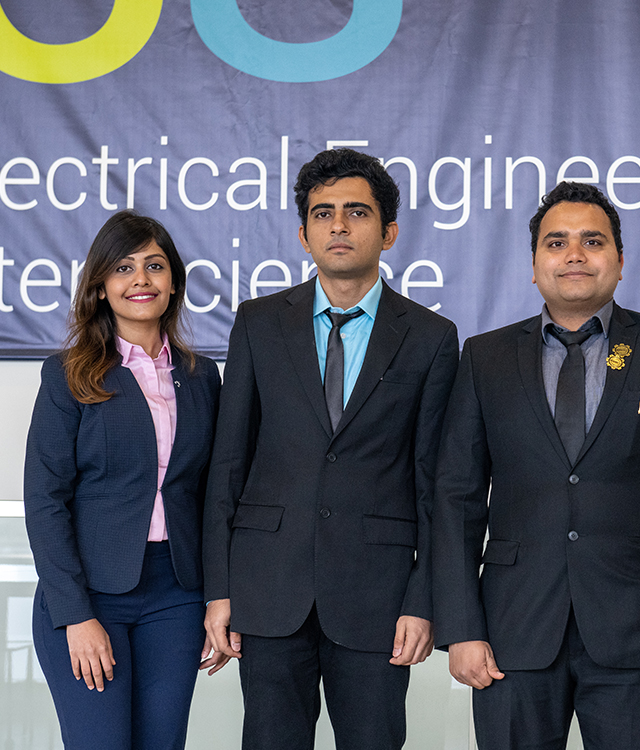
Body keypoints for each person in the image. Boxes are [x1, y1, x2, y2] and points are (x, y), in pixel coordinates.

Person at [432, 181, 640, 749]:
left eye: (592, 241)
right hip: (511, 634)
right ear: (533, 265)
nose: (574, 254)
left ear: (619, 262)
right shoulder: (484, 356)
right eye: (557, 242)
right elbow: (456, 497)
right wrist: (461, 627)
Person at [202, 148, 459, 750]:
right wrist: (219, 588)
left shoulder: (431, 337)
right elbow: (228, 465)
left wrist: (424, 599)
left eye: (356, 212)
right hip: (267, 589)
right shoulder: (258, 323)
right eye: (323, 214)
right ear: (303, 233)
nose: (338, 226)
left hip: (379, 596)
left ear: (388, 232)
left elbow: (437, 484)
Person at [24, 211, 226, 750]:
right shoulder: (68, 374)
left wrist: (219, 599)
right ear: (100, 287)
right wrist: (75, 616)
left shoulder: (203, 376)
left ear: (174, 282)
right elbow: (45, 501)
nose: (141, 279)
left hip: (177, 596)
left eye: (154, 266)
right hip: (90, 597)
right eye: (123, 267)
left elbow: (215, 495)